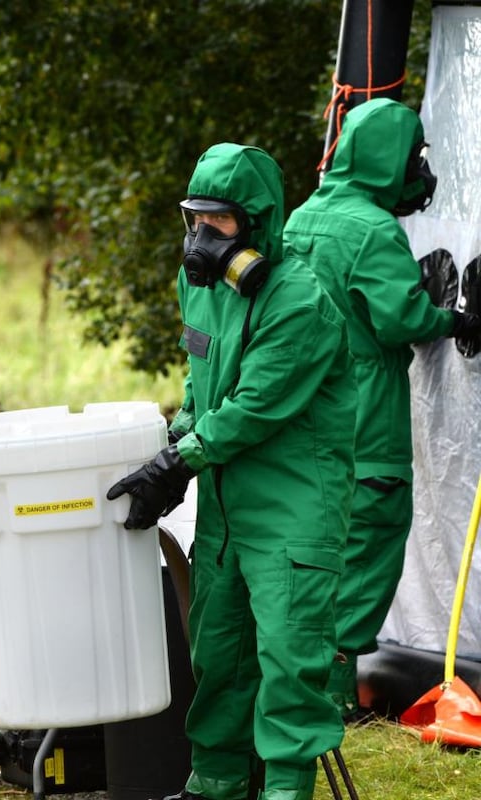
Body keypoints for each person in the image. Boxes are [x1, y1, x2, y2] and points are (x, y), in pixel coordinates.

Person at [107, 143, 357, 800]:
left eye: (217, 224)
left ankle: (283, 790)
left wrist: (175, 462)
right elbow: (203, 388)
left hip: (293, 507)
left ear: (258, 223)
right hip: (226, 503)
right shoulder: (199, 285)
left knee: (287, 660)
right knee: (218, 654)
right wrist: (177, 447)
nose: (200, 238)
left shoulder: (301, 300)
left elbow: (253, 408)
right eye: (193, 219)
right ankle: (215, 784)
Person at [283, 97, 481, 722]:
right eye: (412, 157)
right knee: (371, 539)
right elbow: (398, 318)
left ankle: (299, 679)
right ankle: (332, 693)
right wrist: (452, 317)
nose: (417, 171)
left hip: (304, 409)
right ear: (389, 160)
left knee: (318, 547)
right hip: (365, 409)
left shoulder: (303, 216)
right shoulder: (371, 228)